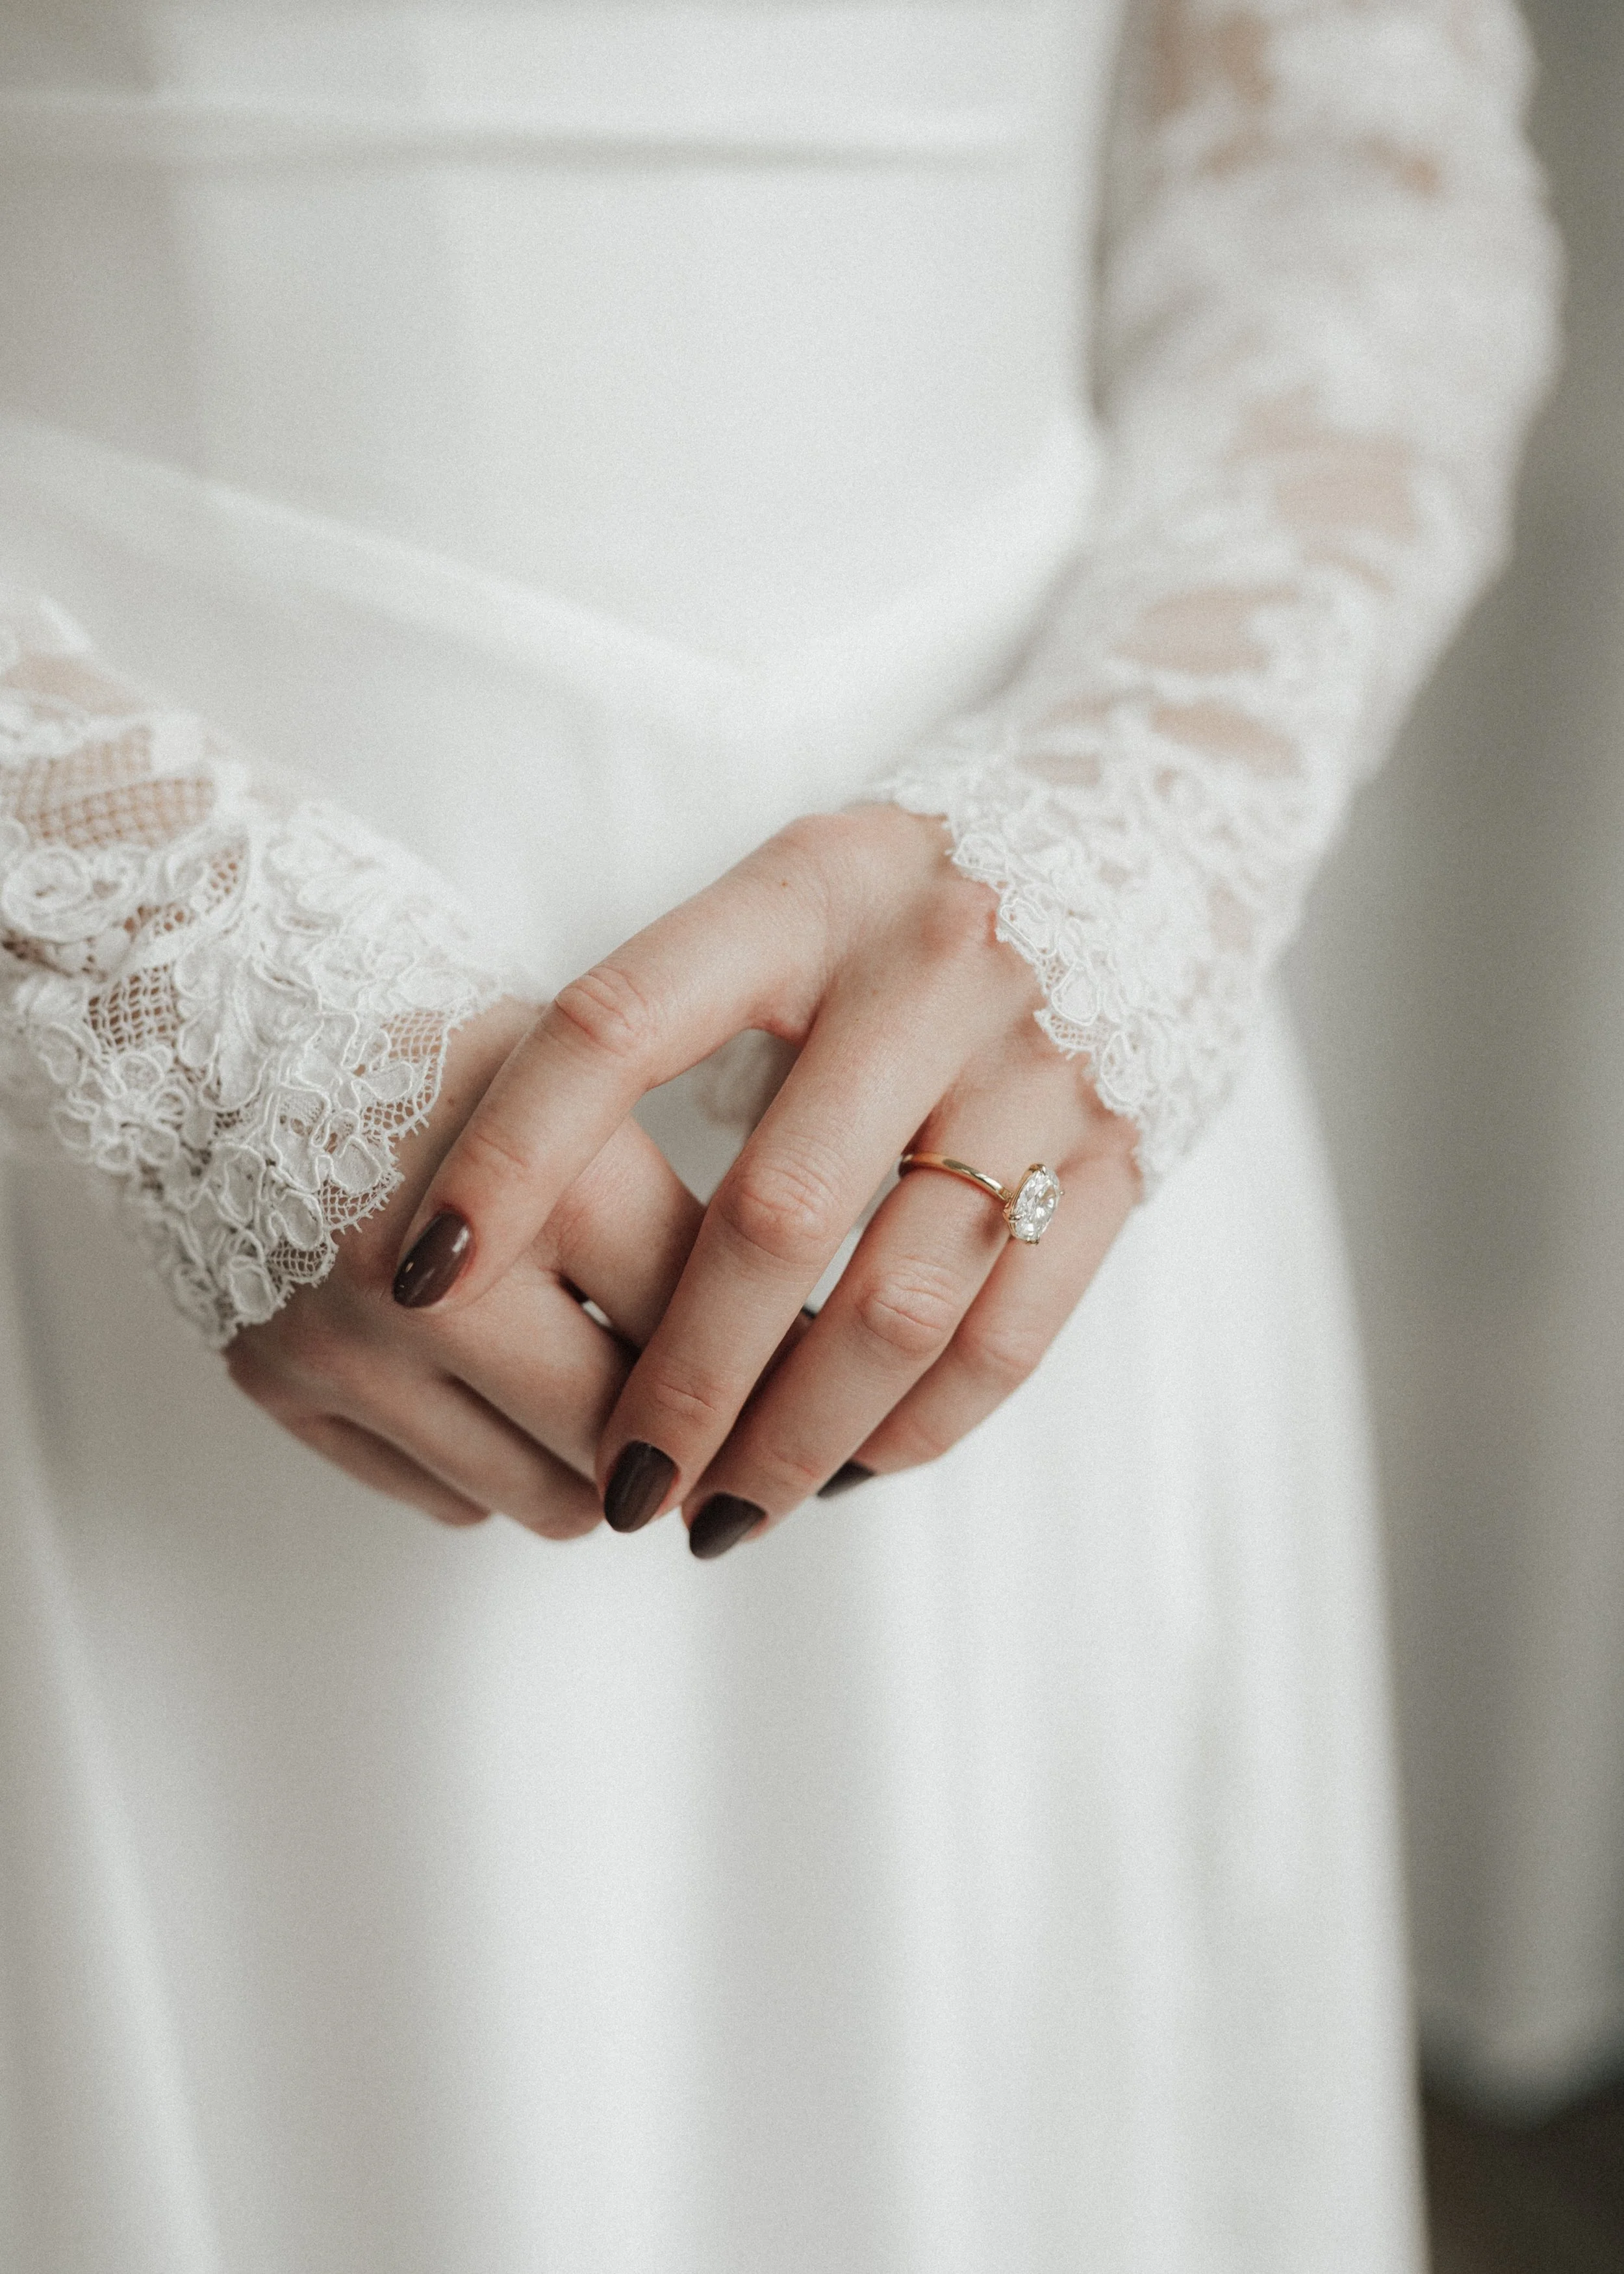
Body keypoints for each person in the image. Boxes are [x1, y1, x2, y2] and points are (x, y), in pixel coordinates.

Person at [0, 2, 1557, 2267]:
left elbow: (1360, 194)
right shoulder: (159, 979)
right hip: (116, 1111)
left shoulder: (1080, 929)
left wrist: (1133, 849)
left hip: (1010, 1088)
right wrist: (152, 952)